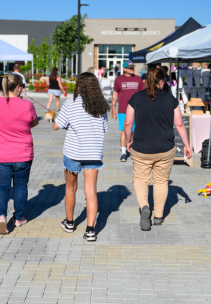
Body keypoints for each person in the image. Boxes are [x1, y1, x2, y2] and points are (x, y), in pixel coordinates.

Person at [124, 68, 192, 231]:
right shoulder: (171, 99)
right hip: (165, 148)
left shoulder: (136, 98)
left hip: (141, 148)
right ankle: (159, 216)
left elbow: (127, 123)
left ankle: (144, 206)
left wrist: (128, 140)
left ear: (146, 81)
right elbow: (180, 125)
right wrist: (187, 146)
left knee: (141, 179)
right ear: (161, 82)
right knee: (161, 181)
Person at [52, 72, 109, 241]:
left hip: (73, 152)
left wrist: (65, 124)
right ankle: (90, 230)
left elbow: (56, 126)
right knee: (91, 191)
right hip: (93, 152)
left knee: (70, 188)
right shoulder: (101, 106)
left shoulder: (71, 103)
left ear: (79, 86)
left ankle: (70, 223)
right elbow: (104, 129)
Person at [0, 74, 39, 234]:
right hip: (22, 153)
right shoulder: (27, 105)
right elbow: (33, 122)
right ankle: (18, 218)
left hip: (0, 153)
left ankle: (1, 217)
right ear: (18, 88)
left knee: (1, 187)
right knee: (20, 186)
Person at [112, 60, 145, 162]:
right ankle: (123, 153)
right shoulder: (118, 79)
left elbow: (143, 94)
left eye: (133, 67)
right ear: (124, 69)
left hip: (136, 109)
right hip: (123, 109)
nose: (132, 69)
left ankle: (135, 151)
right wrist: (113, 107)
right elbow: (115, 93)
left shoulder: (139, 80)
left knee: (134, 132)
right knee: (123, 131)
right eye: (130, 68)